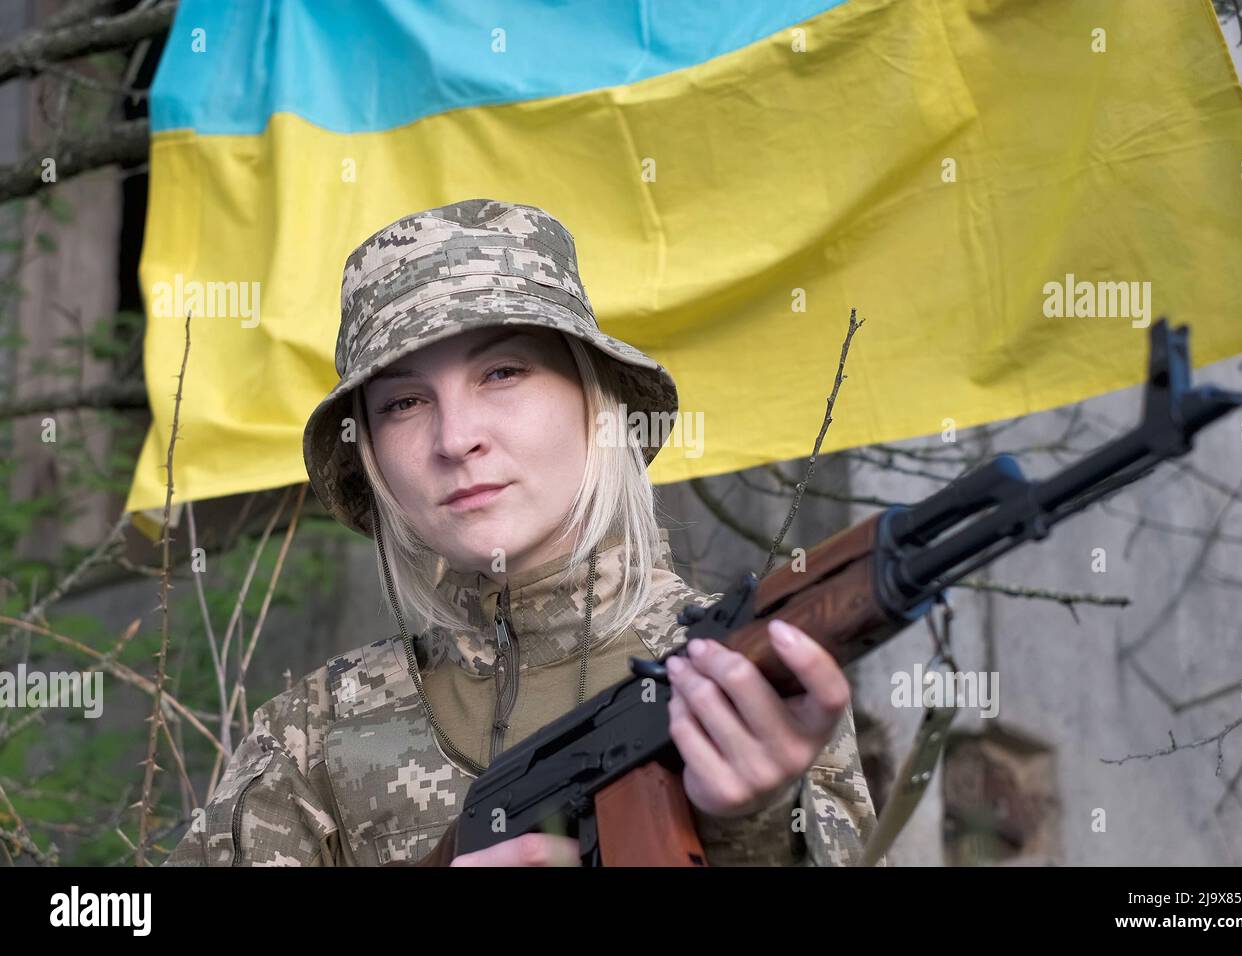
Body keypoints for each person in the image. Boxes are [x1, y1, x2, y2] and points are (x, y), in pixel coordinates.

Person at [163, 198, 879, 866]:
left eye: (503, 372)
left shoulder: (742, 678)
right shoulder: (310, 735)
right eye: (405, 402)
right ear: (372, 454)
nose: (456, 438)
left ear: (596, 404)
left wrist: (755, 824)